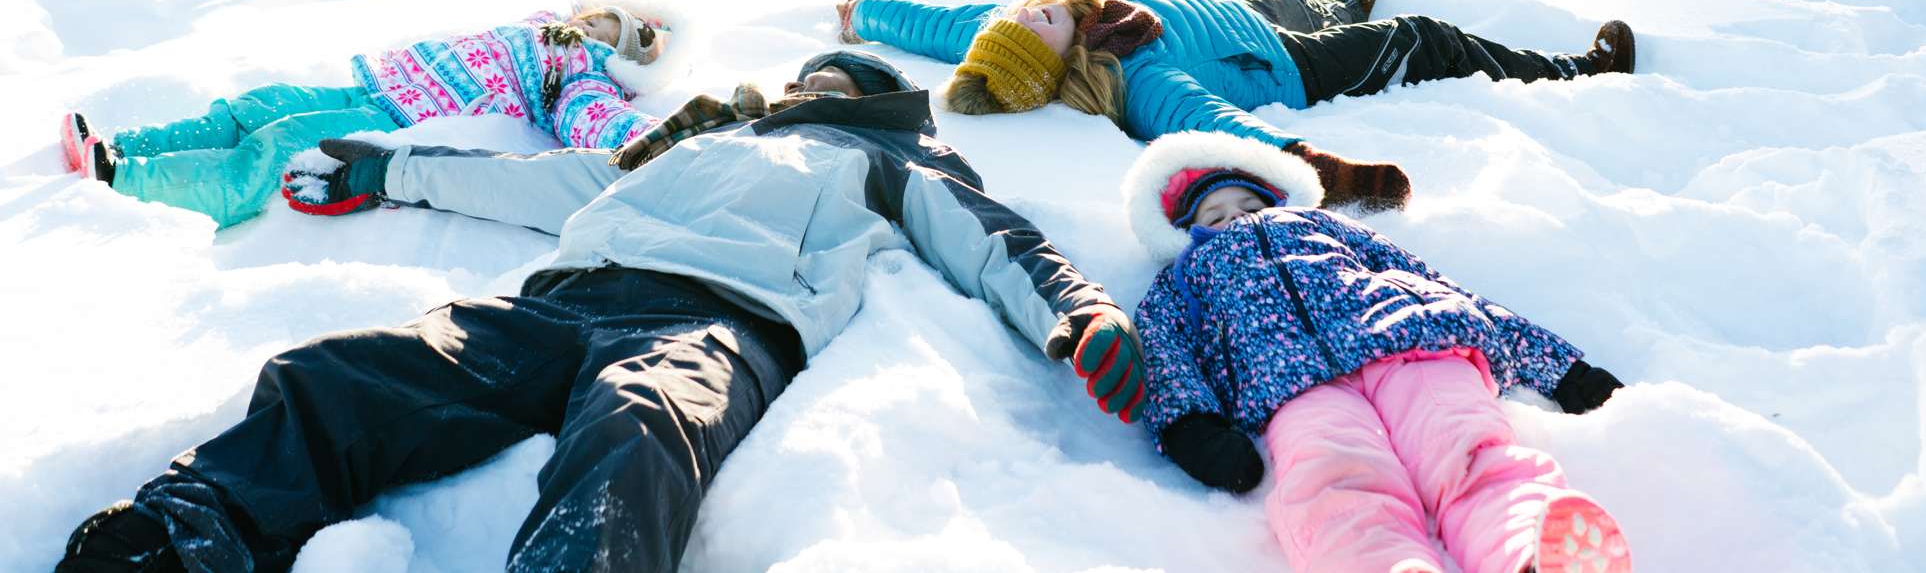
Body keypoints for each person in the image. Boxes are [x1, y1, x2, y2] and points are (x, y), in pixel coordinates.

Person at [56, 53, 1148, 573]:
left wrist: (1081, 313)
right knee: (344, 373)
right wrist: (386, 171)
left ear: (860, 96)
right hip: (564, 302)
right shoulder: (700, 145)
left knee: (636, 431)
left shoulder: (889, 160)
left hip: (712, 327)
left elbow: (1001, 244)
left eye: (822, 76)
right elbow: (555, 187)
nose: (795, 85)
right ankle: (186, 534)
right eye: (796, 74)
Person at [1122, 129, 1632, 573]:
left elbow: (1433, 283)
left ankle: (1528, 546)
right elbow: (1168, 359)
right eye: (1214, 216)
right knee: (1332, 478)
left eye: (1251, 206)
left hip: (1406, 342)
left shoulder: (1327, 227)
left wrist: (1563, 371)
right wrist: (1192, 430)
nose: (1236, 217)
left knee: (1463, 441)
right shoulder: (1180, 282)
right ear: (1186, 233)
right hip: (1289, 384)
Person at [838, 0, 1634, 209]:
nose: (1031, 11)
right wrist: (1317, 168)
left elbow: (929, 24)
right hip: (1278, 65)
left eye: (1025, 15)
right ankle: (1578, 70)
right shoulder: (1133, 76)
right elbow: (1204, 122)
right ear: (1055, 63)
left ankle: (1343, 4)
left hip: (1231, 12)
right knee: (1423, 38)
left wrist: (861, 13)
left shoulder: (998, 23)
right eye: (1036, 27)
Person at [56, 2, 684, 228]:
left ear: (616, 55)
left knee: (275, 147)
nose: (588, 25)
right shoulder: (541, 22)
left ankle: (128, 179)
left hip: (398, 119)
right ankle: (123, 142)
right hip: (378, 85)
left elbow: (595, 121)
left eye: (605, 29)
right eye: (594, 14)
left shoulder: (573, 76)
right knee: (255, 107)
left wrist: (662, 138)